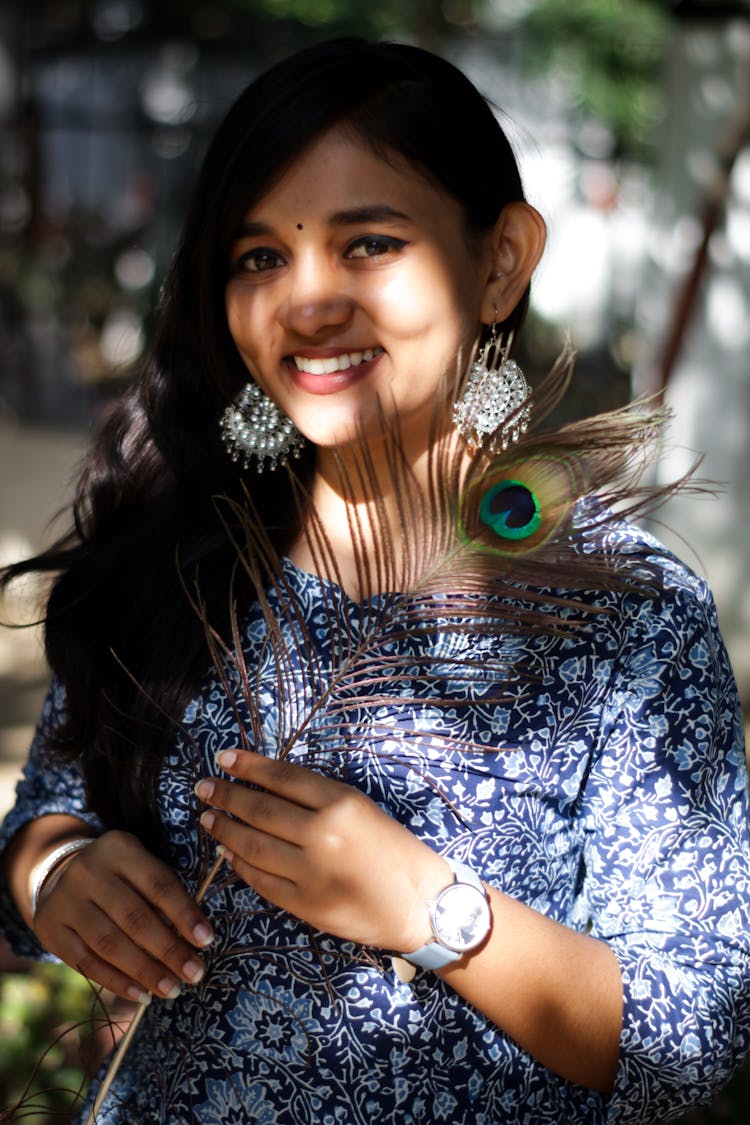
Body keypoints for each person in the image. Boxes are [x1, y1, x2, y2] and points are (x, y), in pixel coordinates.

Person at [1, 37, 749, 1125]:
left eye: (368, 243)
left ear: (500, 259)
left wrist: (428, 906)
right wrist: (57, 873)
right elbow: (39, 823)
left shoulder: (625, 619)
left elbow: (693, 1039)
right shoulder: (174, 558)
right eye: (260, 257)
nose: (306, 303)